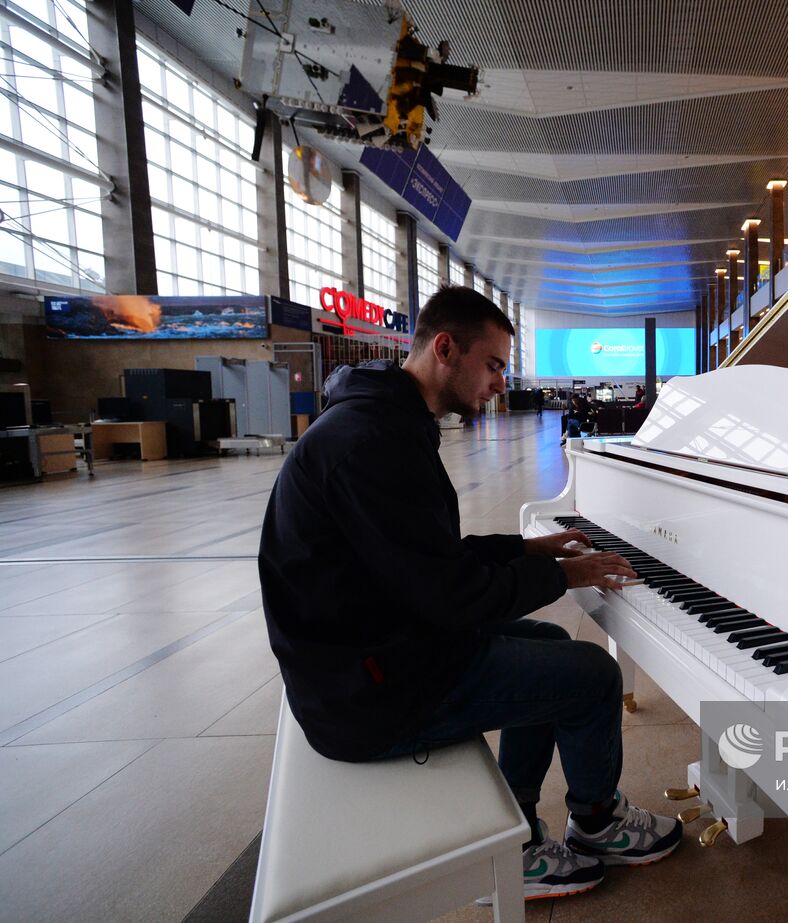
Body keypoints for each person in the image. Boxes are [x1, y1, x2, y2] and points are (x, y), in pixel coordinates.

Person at [258, 285, 680, 902]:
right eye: (494, 365)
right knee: (589, 675)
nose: (500, 383)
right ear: (445, 348)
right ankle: (597, 824)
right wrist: (564, 575)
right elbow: (453, 597)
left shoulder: (384, 420)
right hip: (368, 694)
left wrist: (528, 550)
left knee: (553, 645)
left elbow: (426, 557)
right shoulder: (373, 443)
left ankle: (522, 834)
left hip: (373, 650)